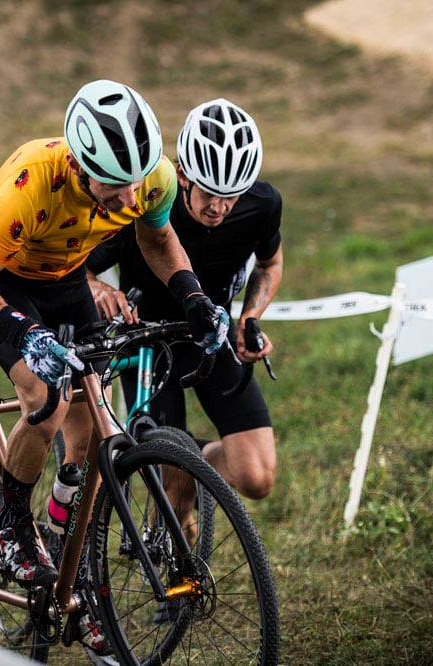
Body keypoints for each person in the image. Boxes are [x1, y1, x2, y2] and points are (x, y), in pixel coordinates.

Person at [0, 79, 229, 654]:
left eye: (135, 185)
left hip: (67, 281)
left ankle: (71, 562)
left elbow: (158, 239)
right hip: (5, 286)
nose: (129, 201)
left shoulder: (153, 175)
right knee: (45, 401)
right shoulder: (29, 181)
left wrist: (194, 297)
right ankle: (10, 525)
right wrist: (22, 334)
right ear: (78, 163)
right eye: (114, 188)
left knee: (92, 434)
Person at [87, 97, 283, 526]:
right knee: (172, 492)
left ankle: (192, 464)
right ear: (182, 175)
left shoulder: (262, 206)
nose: (219, 207)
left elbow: (270, 263)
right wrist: (99, 288)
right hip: (150, 345)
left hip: (210, 335)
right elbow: (78, 268)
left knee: (258, 477)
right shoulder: (149, 204)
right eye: (209, 194)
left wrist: (250, 316)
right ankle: (176, 545)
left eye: (231, 197)